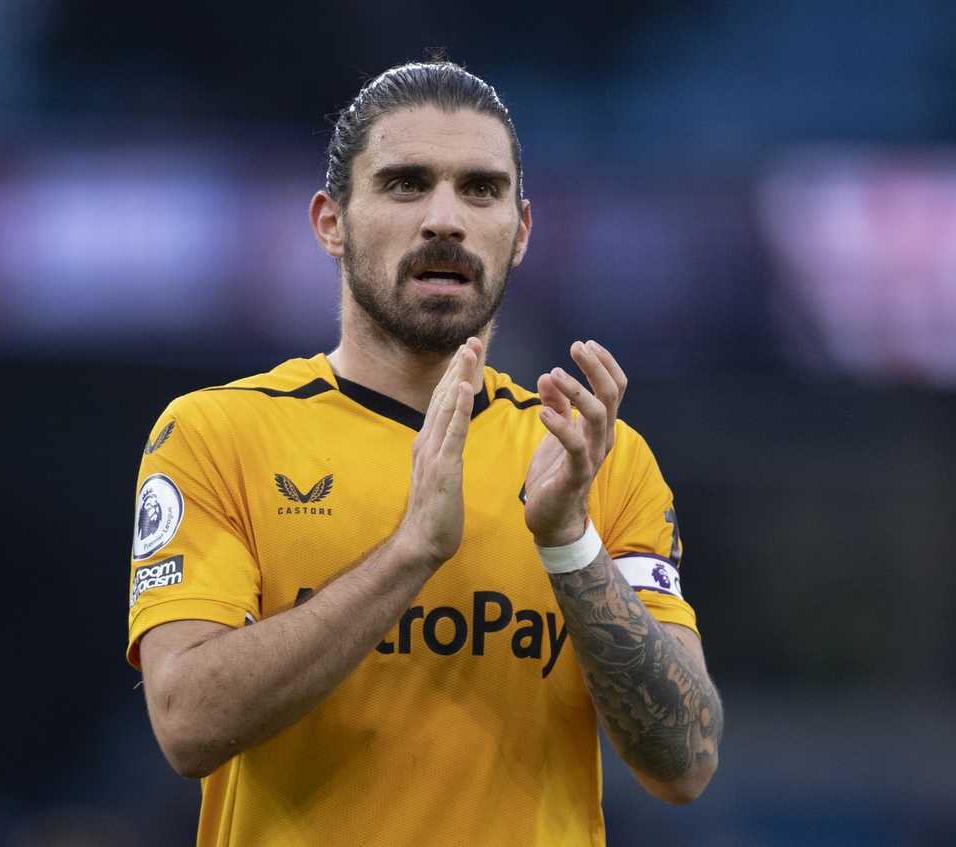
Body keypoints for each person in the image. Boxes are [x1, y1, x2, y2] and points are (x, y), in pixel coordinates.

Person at [126, 59, 723, 846]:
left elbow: (685, 760)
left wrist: (569, 544)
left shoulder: (592, 456)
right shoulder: (218, 435)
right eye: (406, 184)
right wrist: (410, 551)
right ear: (331, 223)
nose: (445, 219)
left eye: (480, 189)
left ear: (521, 231)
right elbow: (185, 722)